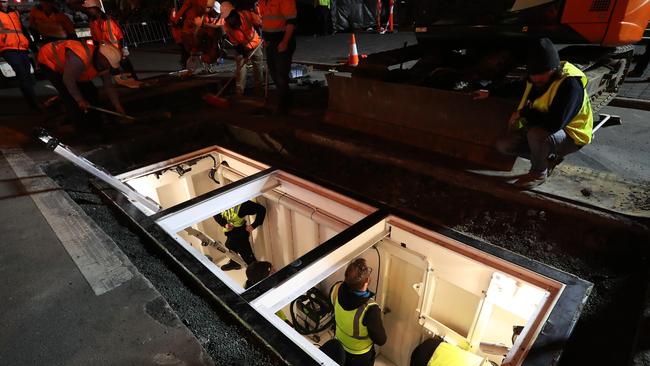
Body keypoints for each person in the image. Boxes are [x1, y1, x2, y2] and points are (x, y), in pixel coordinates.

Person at [495, 38, 593, 189]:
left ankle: (539, 173)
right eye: (532, 75)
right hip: (545, 128)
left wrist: (524, 113)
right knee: (504, 145)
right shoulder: (535, 77)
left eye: (540, 75)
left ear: (554, 69)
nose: (535, 80)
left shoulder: (570, 85)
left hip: (572, 136)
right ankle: (548, 159)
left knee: (537, 134)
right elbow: (518, 87)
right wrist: (489, 92)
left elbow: (554, 124)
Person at [37, 39, 125, 131]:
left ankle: (96, 125)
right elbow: (68, 80)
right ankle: (82, 130)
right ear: (101, 57)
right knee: (71, 99)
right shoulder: (79, 58)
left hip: (72, 67)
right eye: (108, 64)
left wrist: (117, 106)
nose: (108, 67)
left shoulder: (103, 63)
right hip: (49, 61)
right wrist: (79, 100)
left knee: (91, 92)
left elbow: (108, 86)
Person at [329, 258, 386, 366]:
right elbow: (381, 340)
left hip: (339, 345)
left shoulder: (336, 288)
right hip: (359, 355)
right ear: (366, 282)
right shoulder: (370, 309)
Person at [81, 0, 138, 81]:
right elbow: (95, 39)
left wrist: (124, 48)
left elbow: (120, 35)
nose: (88, 10)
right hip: (106, 54)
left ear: (96, 8)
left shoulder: (109, 20)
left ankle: (136, 82)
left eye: (89, 8)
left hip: (117, 51)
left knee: (129, 71)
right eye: (87, 8)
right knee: (116, 75)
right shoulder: (92, 22)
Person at [0, 0, 40, 110]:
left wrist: (33, 47)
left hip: (22, 48)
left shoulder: (15, 13)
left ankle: (33, 101)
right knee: (22, 73)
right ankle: (34, 104)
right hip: (7, 48)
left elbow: (23, 31)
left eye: (4, 1)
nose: (2, 4)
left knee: (27, 75)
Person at [259, 0, 297, 114]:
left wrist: (285, 42)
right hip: (271, 43)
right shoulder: (262, 1)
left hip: (281, 42)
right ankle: (285, 100)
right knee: (274, 73)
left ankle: (284, 106)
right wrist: (265, 39)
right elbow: (265, 20)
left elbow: (291, 21)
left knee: (281, 75)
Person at [213, 200, 266, 270]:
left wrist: (254, 225)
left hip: (240, 233)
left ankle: (258, 273)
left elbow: (261, 209)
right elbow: (216, 215)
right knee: (229, 245)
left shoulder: (242, 206)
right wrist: (225, 224)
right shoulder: (219, 204)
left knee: (247, 257)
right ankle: (235, 263)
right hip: (230, 233)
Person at [224, 8, 263, 96]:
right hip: (242, 47)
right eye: (230, 22)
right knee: (240, 69)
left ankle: (259, 91)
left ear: (236, 16)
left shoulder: (246, 14)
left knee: (258, 68)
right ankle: (239, 93)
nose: (234, 24)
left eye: (234, 21)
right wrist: (242, 52)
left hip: (255, 44)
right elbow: (234, 41)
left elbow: (259, 22)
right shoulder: (227, 26)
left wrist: (263, 32)